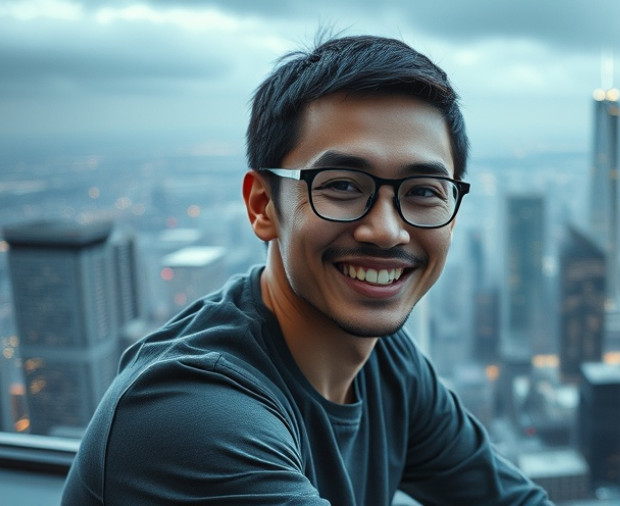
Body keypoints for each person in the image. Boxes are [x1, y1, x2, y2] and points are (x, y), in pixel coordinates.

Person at [62, 34, 552, 505]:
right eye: (342, 185)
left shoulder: (388, 364)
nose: (386, 231)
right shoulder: (189, 413)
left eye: (424, 191)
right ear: (263, 206)